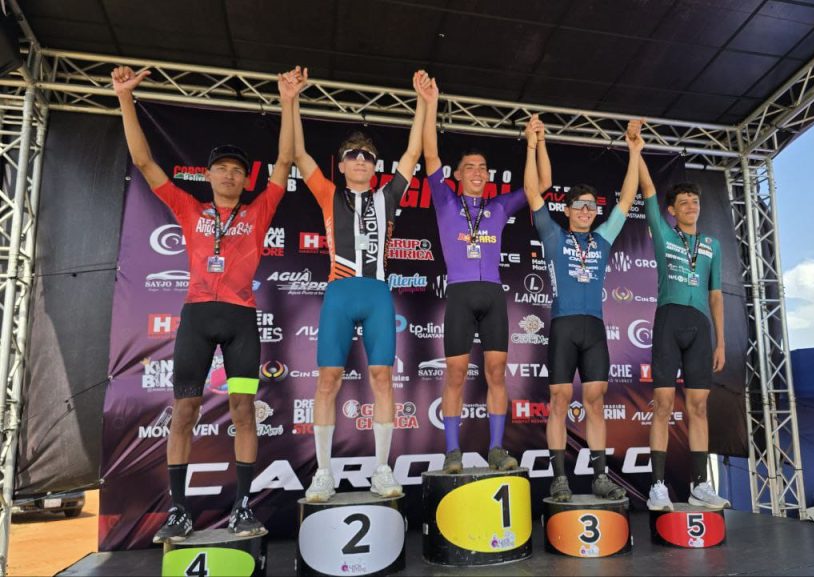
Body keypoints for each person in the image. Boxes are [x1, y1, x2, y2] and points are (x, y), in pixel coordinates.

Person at [113, 65, 296, 542]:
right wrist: (126, 98)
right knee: (184, 410)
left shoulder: (258, 212)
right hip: (197, 317)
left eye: (237, 170)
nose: (230, 175)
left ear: (245, 179)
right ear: (209, 174)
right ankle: (178, 511)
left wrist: (288, 100)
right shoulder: (189, 209)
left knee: (243, 409)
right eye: (222, 168)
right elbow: (144, 162)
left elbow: (283, 162)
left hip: (240, 320)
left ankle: (242, 508)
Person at [289, 69, 430, 502]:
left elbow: (413, 151)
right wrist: (290, 100)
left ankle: (382, 469)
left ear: (374, 165)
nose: (360, 160)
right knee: (327, 380)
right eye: (352, 155)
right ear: (342, 163)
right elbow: (298, 154)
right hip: (339, 292)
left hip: (376, 294)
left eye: (367, 156)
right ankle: (323, 473)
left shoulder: (387, 196)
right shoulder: (329, 193)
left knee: (382, 377)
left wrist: (424, 102)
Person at [421, 78, 551, 473]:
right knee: (456, 373)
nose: (477, 172)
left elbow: (542, 185)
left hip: (493, 295)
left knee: (496, 373)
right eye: (470, 168)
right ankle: (452, 452)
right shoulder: (445, 200)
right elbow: (430, 154)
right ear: (458, 174)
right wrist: (430, 104)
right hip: (461, 294)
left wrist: (535, 143)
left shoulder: (499, 207)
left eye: (482, 168)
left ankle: (496, 448)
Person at [523, 115, 641, 501]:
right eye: (579, 206)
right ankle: (559, 479)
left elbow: (626, 201)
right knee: (558, 400)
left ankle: (600, 477)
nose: (586, 211)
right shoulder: (553, 235)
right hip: (563, 326)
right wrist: (533, 144)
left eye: (591, 206)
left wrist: (634, 151)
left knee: (595, 402)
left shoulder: (603, 238)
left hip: (594, 329)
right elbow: (532, 191)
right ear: (569, 209)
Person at [636, 154, 730, 511]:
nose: (691, 206)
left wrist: (721, 341)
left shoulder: (712, 245)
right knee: (662, 405)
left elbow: (716, 295)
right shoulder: (663, 234)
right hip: (669, 322)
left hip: (700, 328)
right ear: (672, 211)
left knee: (699, 407)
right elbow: (647, 191)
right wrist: (636, 151)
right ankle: (658, 486)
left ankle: (700, 485)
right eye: (684, 203)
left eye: (695, 201)